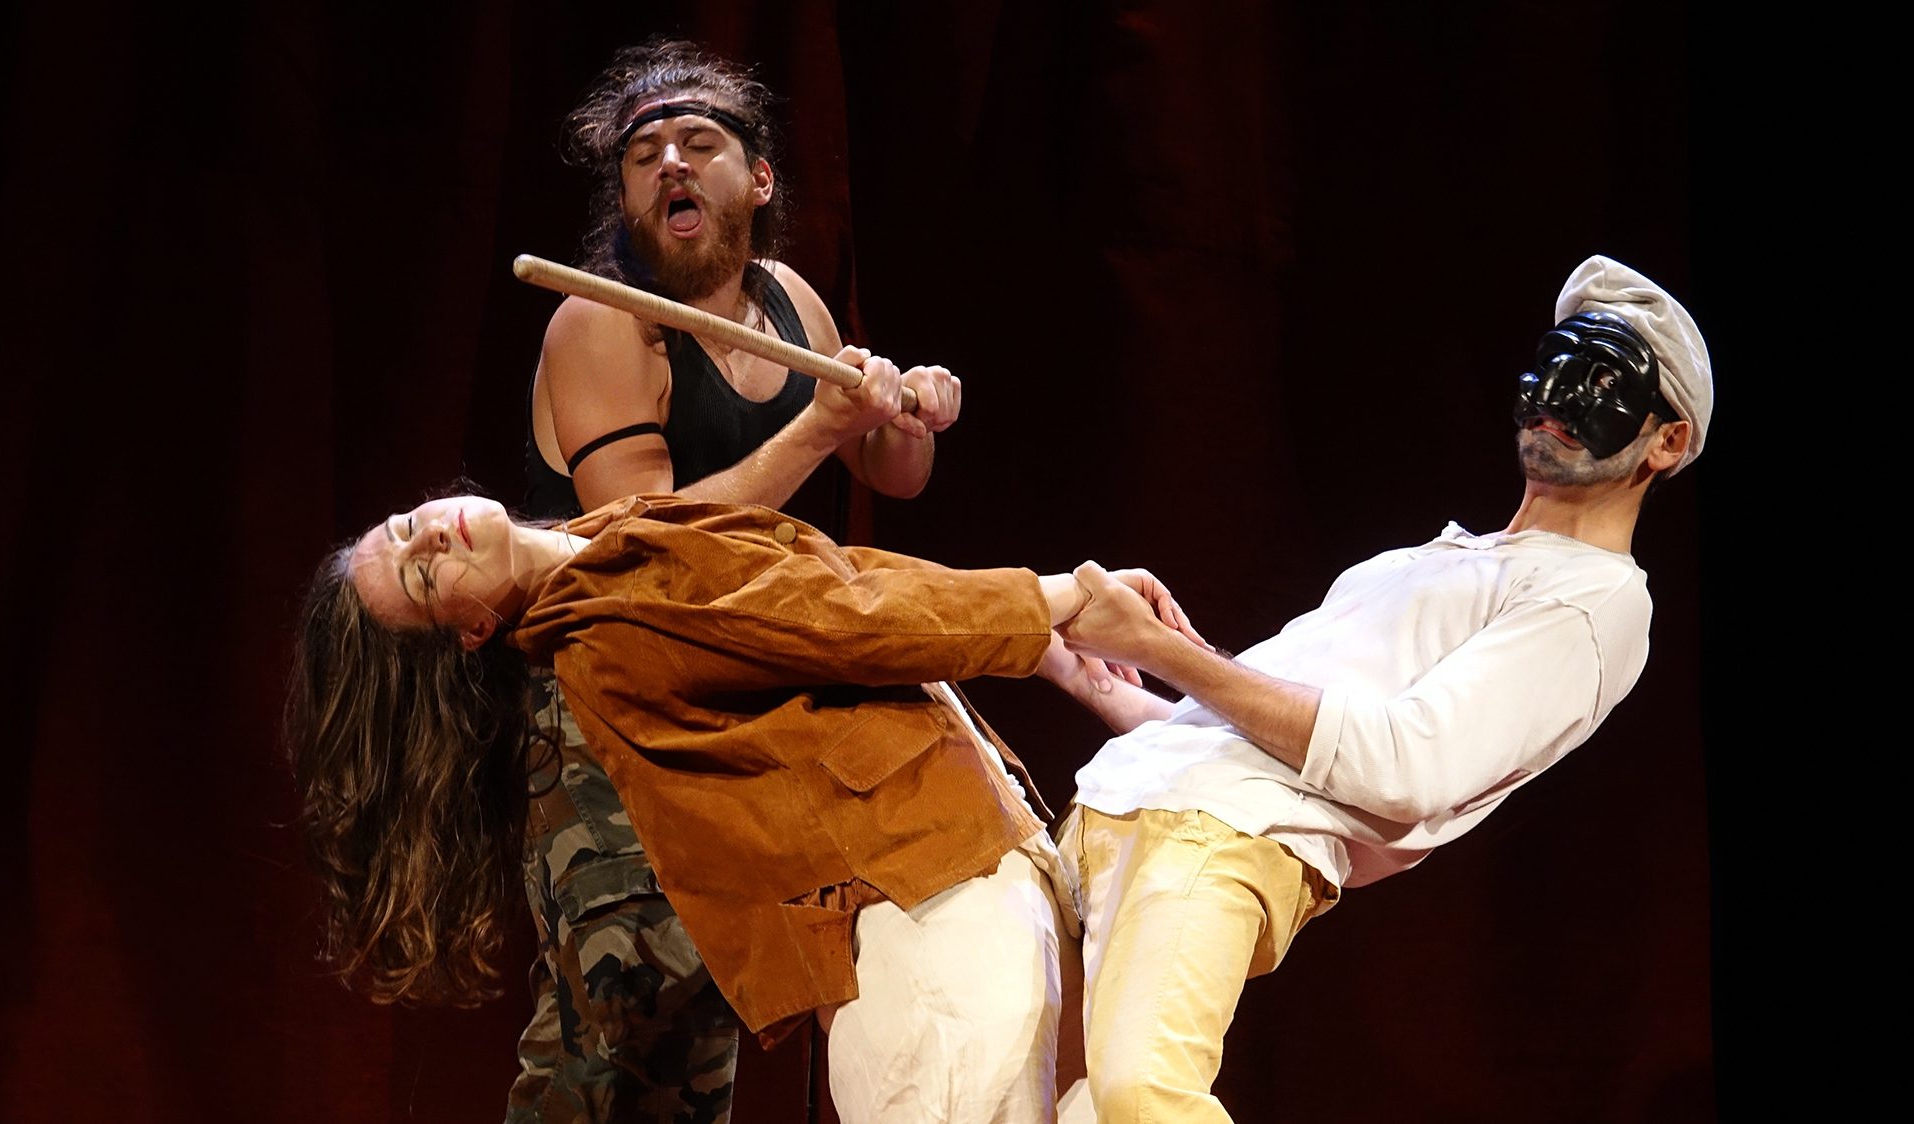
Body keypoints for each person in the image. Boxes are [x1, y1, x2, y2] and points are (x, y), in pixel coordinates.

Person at [1044, 254, 1715, 1123]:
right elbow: (1257, 739)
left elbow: (1406, 766)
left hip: (1223, 836)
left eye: (1602, 380)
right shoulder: (1426, 562)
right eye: (1554, 362)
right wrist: (1106, 684)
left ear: (1667, 441)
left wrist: (1164, 651)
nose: (1559, 393)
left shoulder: (1595, 598)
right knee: (1042, 1105)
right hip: (1118, 806)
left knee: (1143, 1097)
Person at [285, 491, 1202, 1123]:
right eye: (420, 576)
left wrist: (1055, 649)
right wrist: (1056, 603)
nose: (429, 540)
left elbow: (839, 578)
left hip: (969, 881)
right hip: (931, 927)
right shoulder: (600, 636)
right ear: (472, 630)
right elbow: (835, 615)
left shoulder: (616, 537)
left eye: (404, 528)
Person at [515, 39, 962, 1122]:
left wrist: (907, 416)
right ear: (628, 199)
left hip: (739, 697)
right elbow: (645, 543)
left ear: (757, 180)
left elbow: (888, 472)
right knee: (617, 1017)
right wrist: (818, 426)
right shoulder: (601, 320)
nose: (668, 163)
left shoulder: (789, 301)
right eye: (643, 157)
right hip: (610, 706)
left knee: (706, 1014)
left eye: (697, 143)